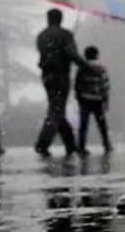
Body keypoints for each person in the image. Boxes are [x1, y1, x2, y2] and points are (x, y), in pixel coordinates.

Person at [35, 8, 90, 157]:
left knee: (57, 109)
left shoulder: (41, 36)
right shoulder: (65, 35)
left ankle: (71, 145)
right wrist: (87, 66)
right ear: (61, 19)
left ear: (48, 19)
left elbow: (45, 55)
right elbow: (72, 54)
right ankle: (42, 143)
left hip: (47, 77)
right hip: (61, 77)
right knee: (56, 111)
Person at [75, 46, 112, 155]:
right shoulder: (102, 68)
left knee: (83, 125)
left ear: (85, 55)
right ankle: (107, 145)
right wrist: (106, 100)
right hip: (98, 101)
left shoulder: (82, 68)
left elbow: (78, 85)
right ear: (97, 55)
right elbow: (105, 86)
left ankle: (81, 147)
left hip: (85, 100)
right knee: (102, 124)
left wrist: (78, 98)